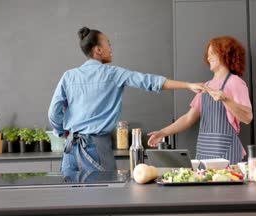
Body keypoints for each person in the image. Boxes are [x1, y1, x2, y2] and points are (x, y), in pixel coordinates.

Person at [48, 26, 204, 174]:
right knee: (102, 196)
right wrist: (188, 85)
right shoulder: (113, 73)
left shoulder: (69, 76)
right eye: (108, 44)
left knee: (70, 196)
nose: (111, 48)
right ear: (98, 50)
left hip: (70, 148)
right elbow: (149, 81)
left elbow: (53, 113)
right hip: (96, 147)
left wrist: (63, 133)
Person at [147, 36, 253, 164]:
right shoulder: (206, 86)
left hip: (226, 150)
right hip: (204, 150)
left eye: (212, 54)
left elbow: (247, 117)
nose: (208, 58)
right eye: (207, 55)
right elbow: (188, 118)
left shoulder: (235, 82)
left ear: (226, 54)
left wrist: (226, 99)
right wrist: (163, 133)